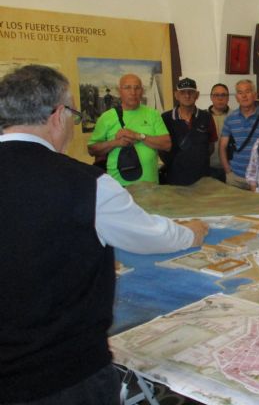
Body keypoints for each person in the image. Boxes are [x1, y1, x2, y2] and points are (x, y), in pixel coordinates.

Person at [0, 65, 209, 404]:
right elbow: (150, 234)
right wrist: (191, 232)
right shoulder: (85, 184)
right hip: (66, 376)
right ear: (56, 115)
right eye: (71, 113)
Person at [88, 73, 171, 186]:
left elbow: (166, 144)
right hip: (119, 187)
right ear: (119, 91)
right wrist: (115, 143)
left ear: (142, 91)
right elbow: (92, 149)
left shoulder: (153, 114)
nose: (133, 92)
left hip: (150, 185)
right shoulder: (106, 117)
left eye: (137, 88)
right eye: (127, 88)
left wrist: (138, 136)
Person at [160, 77, 217, 185]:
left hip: (202, 178)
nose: (187, 95)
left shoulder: (206, 117)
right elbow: (162, 149)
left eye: (191, 92)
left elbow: (211, 147)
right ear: (176, 95)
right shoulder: (165, 118)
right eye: (183, 92)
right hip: (174, 177)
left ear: (197, 95)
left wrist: (196, 159)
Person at [219, 79, 259, 190]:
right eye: (240, 93)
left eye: (248, 92)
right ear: (236, 98)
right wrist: (228, 171)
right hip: (235, 177)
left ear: (255, 95)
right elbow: (222, 147)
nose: (244, 96)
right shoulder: (230, 118)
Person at [208, 82, 230, 182]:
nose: (220, 98)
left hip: (231, 169)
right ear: (211, 97)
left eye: (223, 95)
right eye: (216, 95)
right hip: (208, 168)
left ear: (228, 97)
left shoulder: (235, 117)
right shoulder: (202, 117)